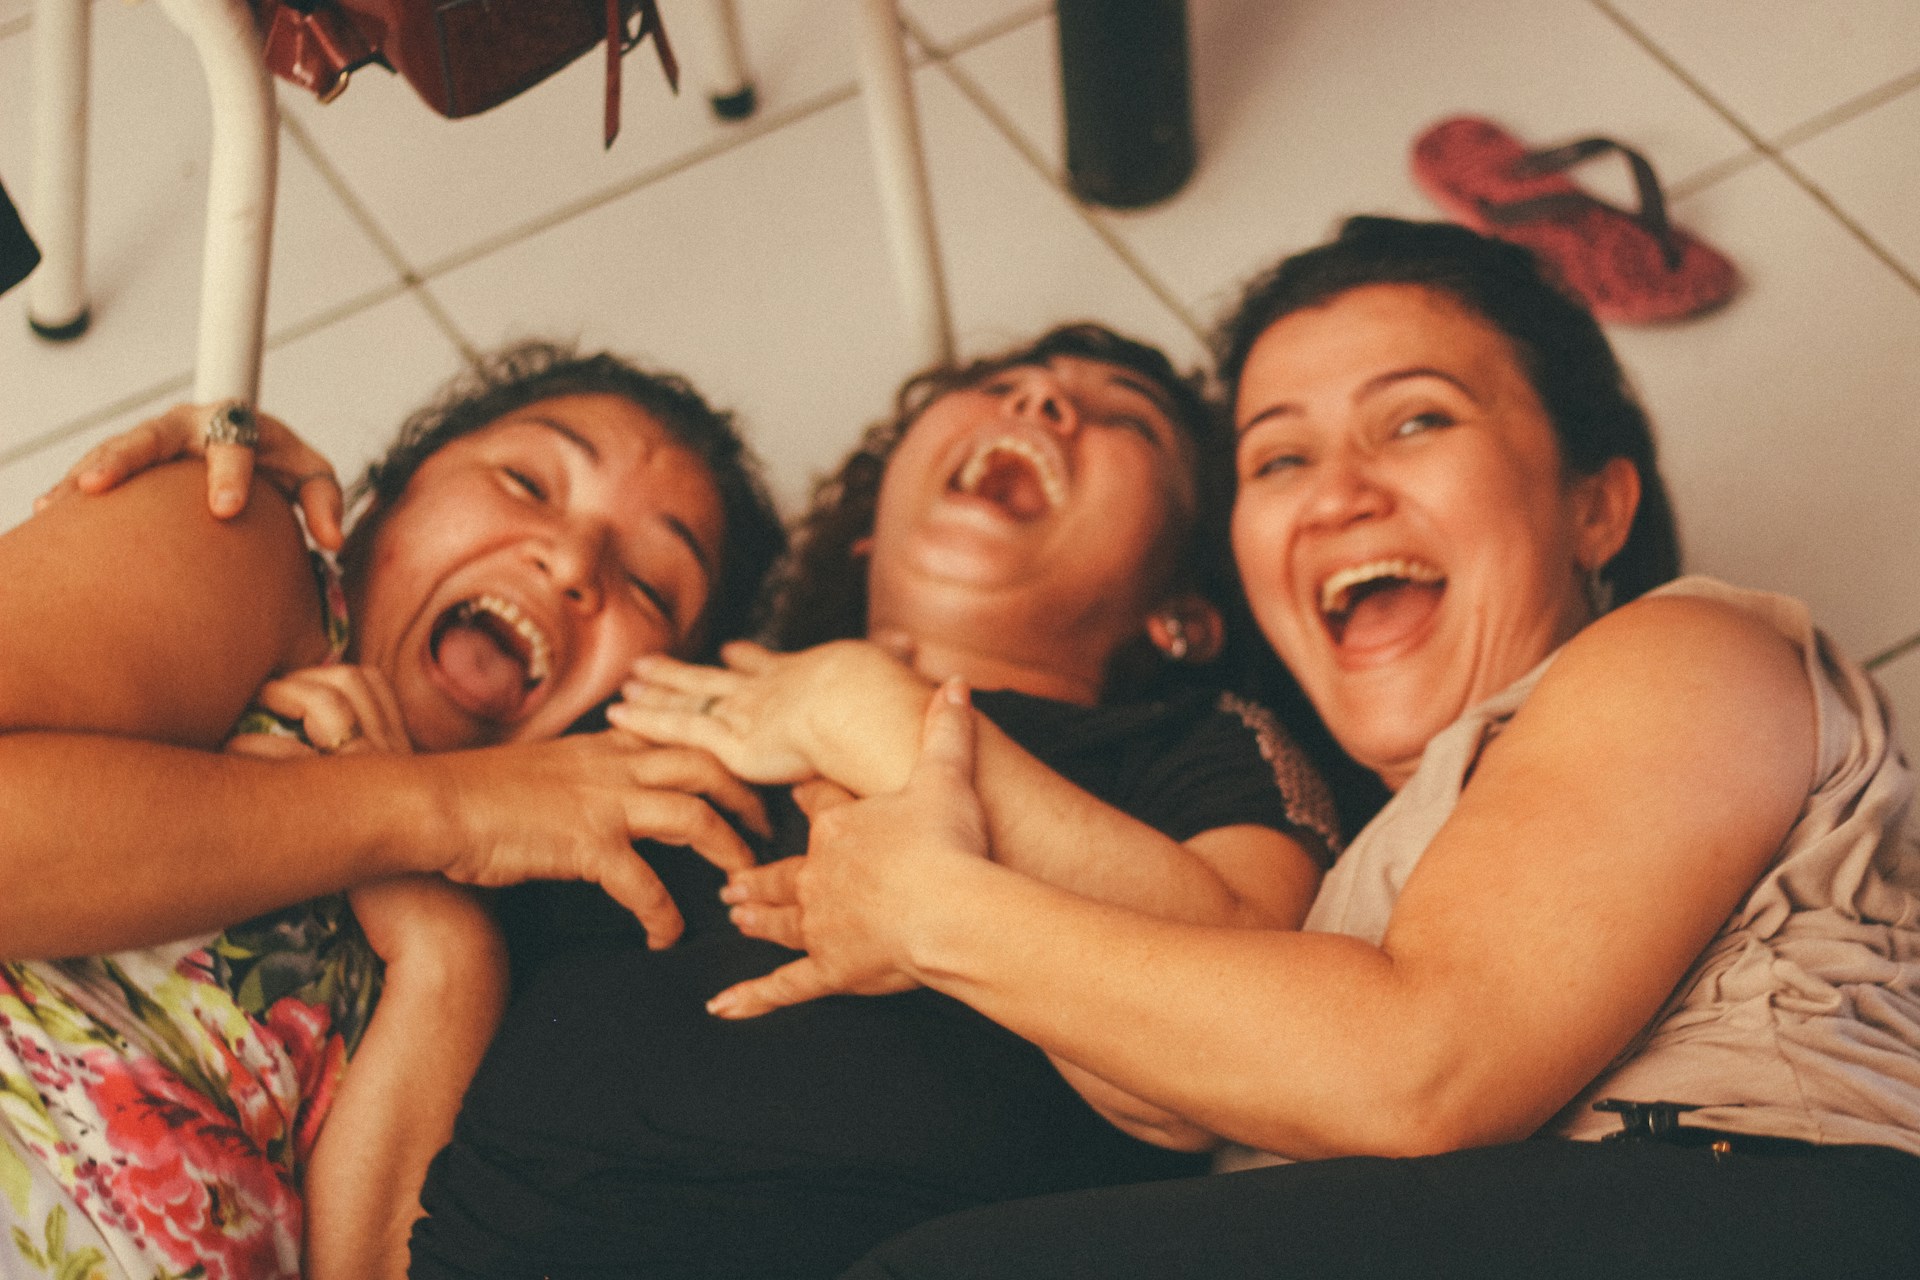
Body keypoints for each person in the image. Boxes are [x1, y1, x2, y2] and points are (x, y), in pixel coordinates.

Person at [699, 218, 1920, 1279]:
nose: (1337, 494)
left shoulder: (1687, 655)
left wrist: (932, 910)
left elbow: (1425, 1066)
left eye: (1416, 419)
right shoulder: (1346, 892)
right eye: (1280, 457)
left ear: (1594, 504)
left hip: (1748, 1204)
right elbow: (1165, 1089)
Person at [405, 324, 1340, 1278]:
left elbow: (1244, 1031)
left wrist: (870, 713)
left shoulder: (1203, 744)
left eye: (1126, 420)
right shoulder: (665, 703)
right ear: (866, 535)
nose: (1042, 403)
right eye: (1001, 384)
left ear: (1183, 615)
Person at [0, 341, 786, 1280]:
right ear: (389, 495)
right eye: (526, 482)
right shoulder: (248, 552)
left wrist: (448, 960)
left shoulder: (511, 951)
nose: (574, 561)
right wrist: (427, 810)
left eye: (651, 587)